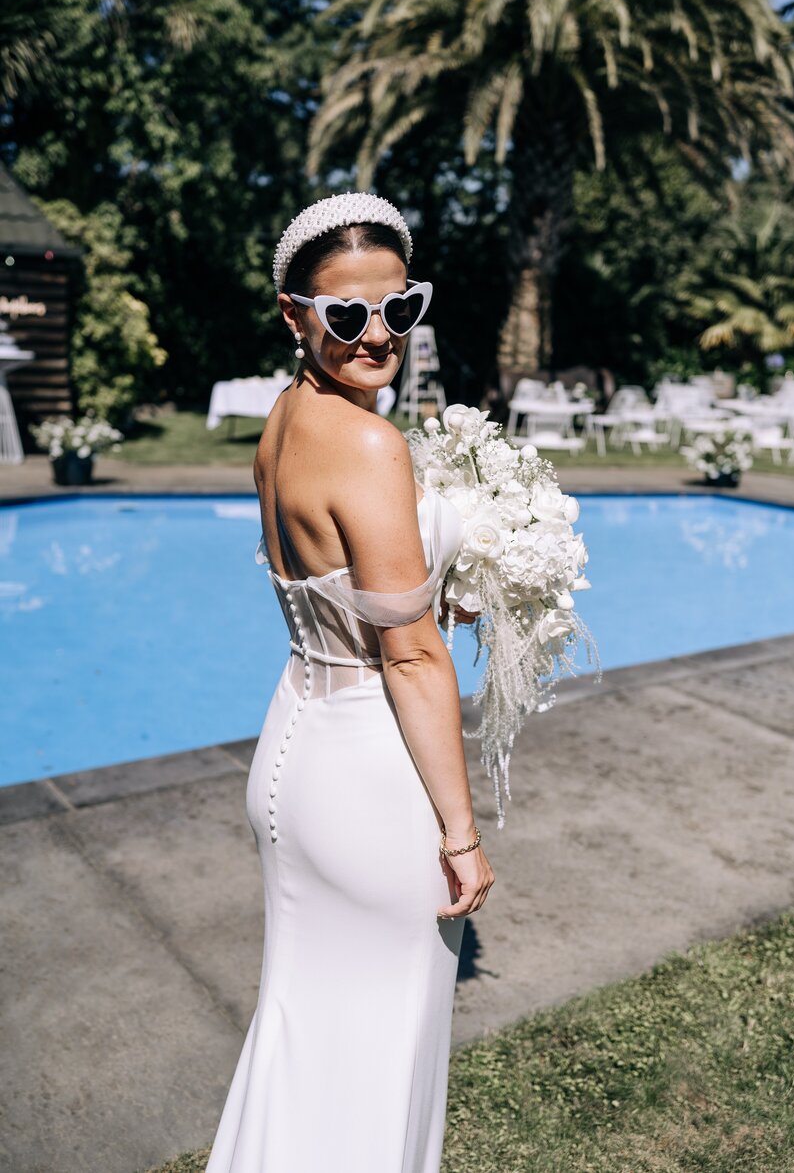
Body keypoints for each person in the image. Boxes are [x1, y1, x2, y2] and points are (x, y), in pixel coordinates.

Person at [205, 191, 495, 1173]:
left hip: (292, 753)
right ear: (293, 315)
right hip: (370, 778)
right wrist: (459, 833)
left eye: (398, 309)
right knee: (375, 1063)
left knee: (306, 1040)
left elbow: (344, 598)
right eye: (344, 315)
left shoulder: (284, 422)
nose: (378, 336)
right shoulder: (368, 445)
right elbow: (409, 657)